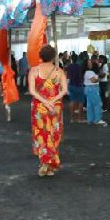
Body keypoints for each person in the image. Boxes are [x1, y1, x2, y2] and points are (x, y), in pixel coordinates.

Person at [30, 45, 67, 177]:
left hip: (39, 106)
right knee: (53, 132)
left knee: (41, 132)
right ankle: (50, 165)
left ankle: (44, 162)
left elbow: (32, 91)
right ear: (53, 57)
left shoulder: (34, 70)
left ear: (40, 56)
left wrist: (45, 102)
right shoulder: (59, 71)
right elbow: (64, 90)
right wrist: (52, 101)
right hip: (55, 106)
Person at [84, 57, 106, 126]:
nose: (91, 63)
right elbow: (93, 81)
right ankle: (97, 119)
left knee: (90, 105)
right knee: (97, 104)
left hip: (89, 89)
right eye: (89, 62)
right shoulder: (89, 72)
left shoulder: (88, 72)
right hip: (93, 89)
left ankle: (91, 119)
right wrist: (99, 78)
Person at [65, 54, 86, 123]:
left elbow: (67, 76)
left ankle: (72, 118)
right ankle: (79, 118)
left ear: (71, 59)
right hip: (79, 85)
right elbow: (81, 76)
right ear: (77, 59)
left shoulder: (69, 66)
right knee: (80, 102)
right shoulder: (79, 66)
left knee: (72, 101)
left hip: (71, 84)